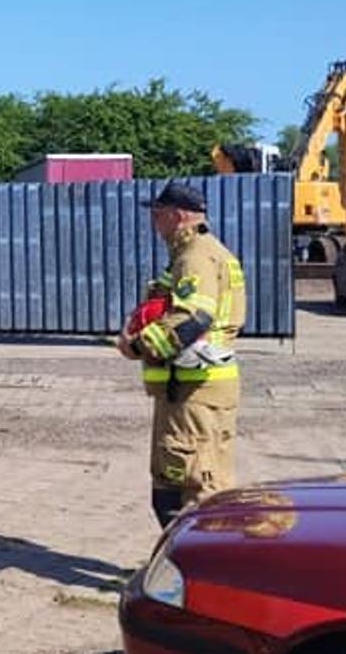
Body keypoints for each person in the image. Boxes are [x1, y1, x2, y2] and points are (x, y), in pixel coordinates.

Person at [117, 182, 246, 527]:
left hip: (193, 394)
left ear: (178, 215)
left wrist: (136, 346)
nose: (153, 222)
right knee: (178, 484)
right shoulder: (200, 253)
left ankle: (201, 573)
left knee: (195, 490)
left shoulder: (196, 257)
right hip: (190, 392)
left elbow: (192, 318)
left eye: (158, 215)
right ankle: (182, 570)